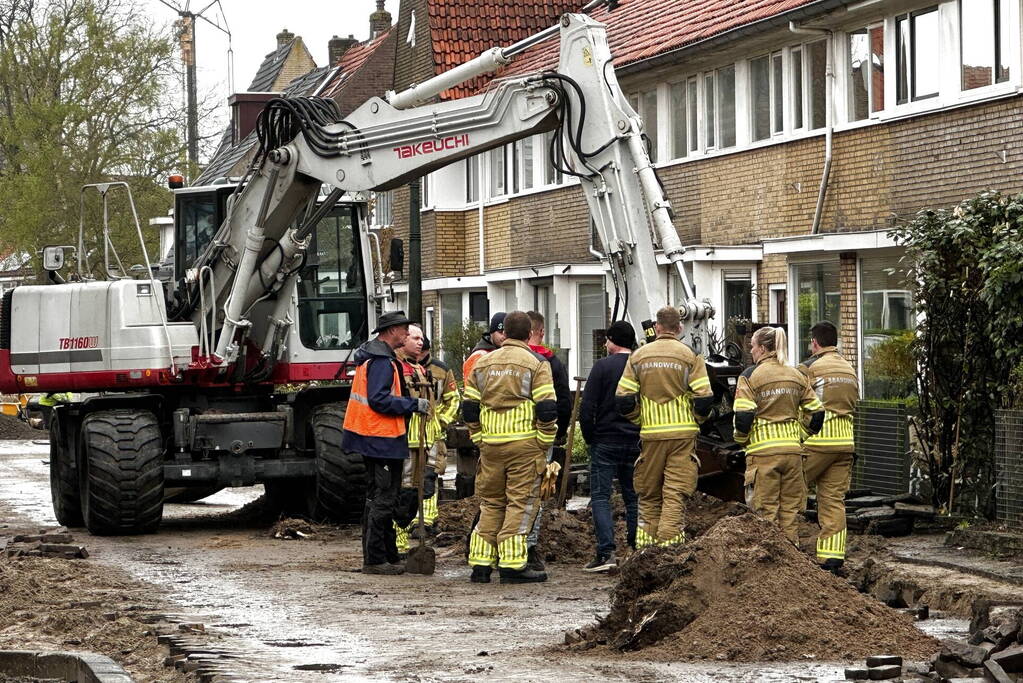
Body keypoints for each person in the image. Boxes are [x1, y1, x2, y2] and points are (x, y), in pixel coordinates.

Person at [462, 311, 557, 584]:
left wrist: (478, 437)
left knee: (491, 503)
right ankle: (513, 565)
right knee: (521, 503)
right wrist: (544, 441)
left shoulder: (483, 363)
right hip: (525, 446)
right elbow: (547, 408)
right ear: (529, 334)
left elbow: (469, 407)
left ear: (503, 333)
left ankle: (480, 564)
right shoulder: (536, 364)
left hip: (490, 446)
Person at [615, 306, 714, 548]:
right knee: (675, 493)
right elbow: (704, 399)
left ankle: (645, 552)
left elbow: (624, 398)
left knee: (649, 495)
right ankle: (670, 551)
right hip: (682, 436)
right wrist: (695, 421)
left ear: (657, 327)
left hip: (651, 436)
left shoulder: (638, 357)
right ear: (680, 328)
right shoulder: (691, 356)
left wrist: (641, 420)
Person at [341, 311, 429, 575]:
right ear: (392, 331)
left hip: (375, 438)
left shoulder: (377, 358)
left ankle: (384, 556)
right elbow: (379, 399)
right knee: (383, 499)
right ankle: (376, 559)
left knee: (377, 498)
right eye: (404, 329)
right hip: (380, 438)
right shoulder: (381, 361)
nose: (407, 334)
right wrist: (413, 404)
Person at [732, 326, 825, 545]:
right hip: (793, 454)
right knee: (790, 516)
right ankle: (791, 567)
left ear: (763, 348)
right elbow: (818, 413)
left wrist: (741, 440)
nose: (751, 351)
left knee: (765, 517)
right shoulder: (797, 375)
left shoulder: (749, 376)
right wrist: (800, 436)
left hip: (763, 455)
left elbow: (743, 418)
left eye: (752, 346)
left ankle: (769, 570)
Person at [579, 320, 640, 572]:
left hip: (605, 440)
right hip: (635, 440)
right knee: (633, 497)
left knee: (601, 497)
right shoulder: (640, 366)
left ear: (613, 341)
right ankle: (636, 549)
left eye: (607, 340)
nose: (604, 344)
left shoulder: (602, 367)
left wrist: (591, 437)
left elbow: (587, 408)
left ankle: (606, 553)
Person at [393, 324, 460, 554]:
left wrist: (441, 422)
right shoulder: (397, 367)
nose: (419, 345)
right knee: (406, 489)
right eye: (415, 339)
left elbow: (452, 400)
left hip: (430, 437)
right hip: (407, 439)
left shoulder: (436, 370)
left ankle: (425, 523)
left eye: (422, 340)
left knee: (428, 483)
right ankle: (399, 541)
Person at [799, 321, 858, 573]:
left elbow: (797, 402)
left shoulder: (809, 368)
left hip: (816, 441)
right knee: (833, 500)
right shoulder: (849, 368)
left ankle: (786, 553)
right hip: (844, 443)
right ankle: (832, 560)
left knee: (791, 494)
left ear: (814, 343)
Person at [523, 310, 573, 572]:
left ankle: (492, 549)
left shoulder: (497, 360)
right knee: (536, 492)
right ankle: (529, 548)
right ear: (540, 331)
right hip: (541, 438)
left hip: (503, 438)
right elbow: (562, 402)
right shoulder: (550, 363)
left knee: (500, 495)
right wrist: (559, 431)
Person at [463, 312, 507, 380]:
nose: (504, 336)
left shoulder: (508, 353)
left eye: (507, 333)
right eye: (500, 332)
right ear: (492, 332)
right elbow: (469, 383)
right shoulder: (478, 355)